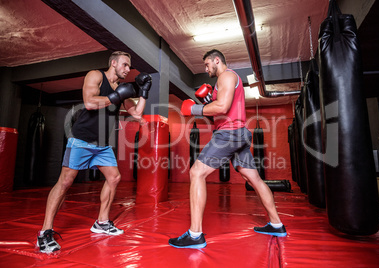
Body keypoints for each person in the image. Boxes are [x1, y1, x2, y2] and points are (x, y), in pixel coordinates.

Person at [36, 51, 152, 253]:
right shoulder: (96, 75)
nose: (128, 69)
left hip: (103, 144)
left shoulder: (122, 88)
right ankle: (44, 232)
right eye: (125, 65)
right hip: (81, 139)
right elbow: (89, 102)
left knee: (114, 177)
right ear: (113, 63)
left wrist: (144, 91)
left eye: (129, 67)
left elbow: (137, 113)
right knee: (65, 182)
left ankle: (101, 222)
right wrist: (116, 96)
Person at [169, 49, 286, 249]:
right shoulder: (223, 82)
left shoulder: (227, 76)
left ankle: (195, 235)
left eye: (207, 64)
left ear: (217, 60)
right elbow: (219, 114)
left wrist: (194, 109)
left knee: (196, 173)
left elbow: (222, 107)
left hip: (229, 134)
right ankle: (276, 224)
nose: (206, 69)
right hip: (238, 133)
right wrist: (207, 104)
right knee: (254, 179)